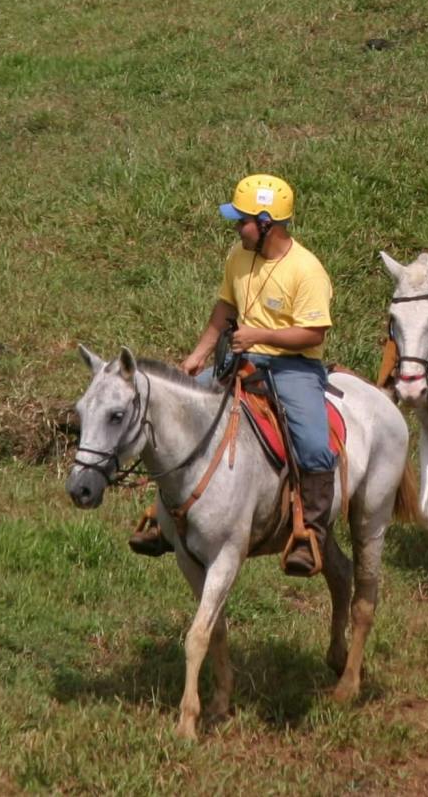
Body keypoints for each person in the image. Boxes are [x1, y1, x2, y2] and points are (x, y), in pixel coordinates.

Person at [129, 173, 338, 576]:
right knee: (179, 414)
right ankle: (163, 518)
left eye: (240, 220)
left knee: (313, 444)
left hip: (295, 367)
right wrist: (197, 356)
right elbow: (224, 309)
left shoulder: (307, 270)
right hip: (242, 362)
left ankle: (309, 534)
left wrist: (260, 334)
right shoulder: (238, 257)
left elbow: (314, 332)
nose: (234, 227)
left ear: (265, 224)